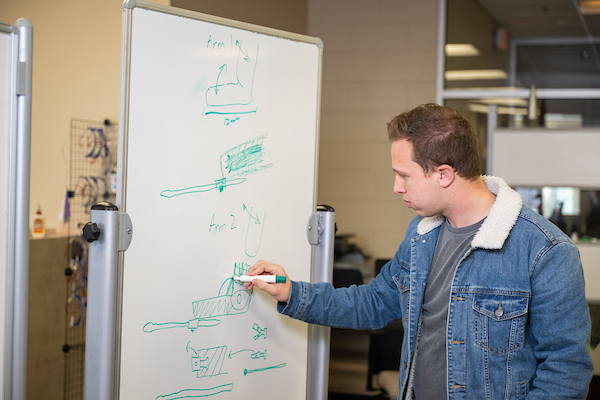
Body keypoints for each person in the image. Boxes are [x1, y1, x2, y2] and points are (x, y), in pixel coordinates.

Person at [244, 103, 594, 400]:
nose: (396, 188)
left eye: (404, 175)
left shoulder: (545, 250)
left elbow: (566, 369)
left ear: (443, 174)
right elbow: (372, 304)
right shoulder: (421, 235)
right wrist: (291, 291)